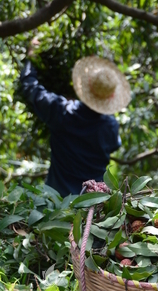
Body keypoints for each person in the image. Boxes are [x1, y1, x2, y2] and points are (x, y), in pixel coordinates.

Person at [19, 53, 131, 197]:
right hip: (92, 201)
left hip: (58, 201)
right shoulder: (110, 126)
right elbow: (115, 144)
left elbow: (31, 88)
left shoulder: (61, 112)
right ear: (109, 99)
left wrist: (30, 58)